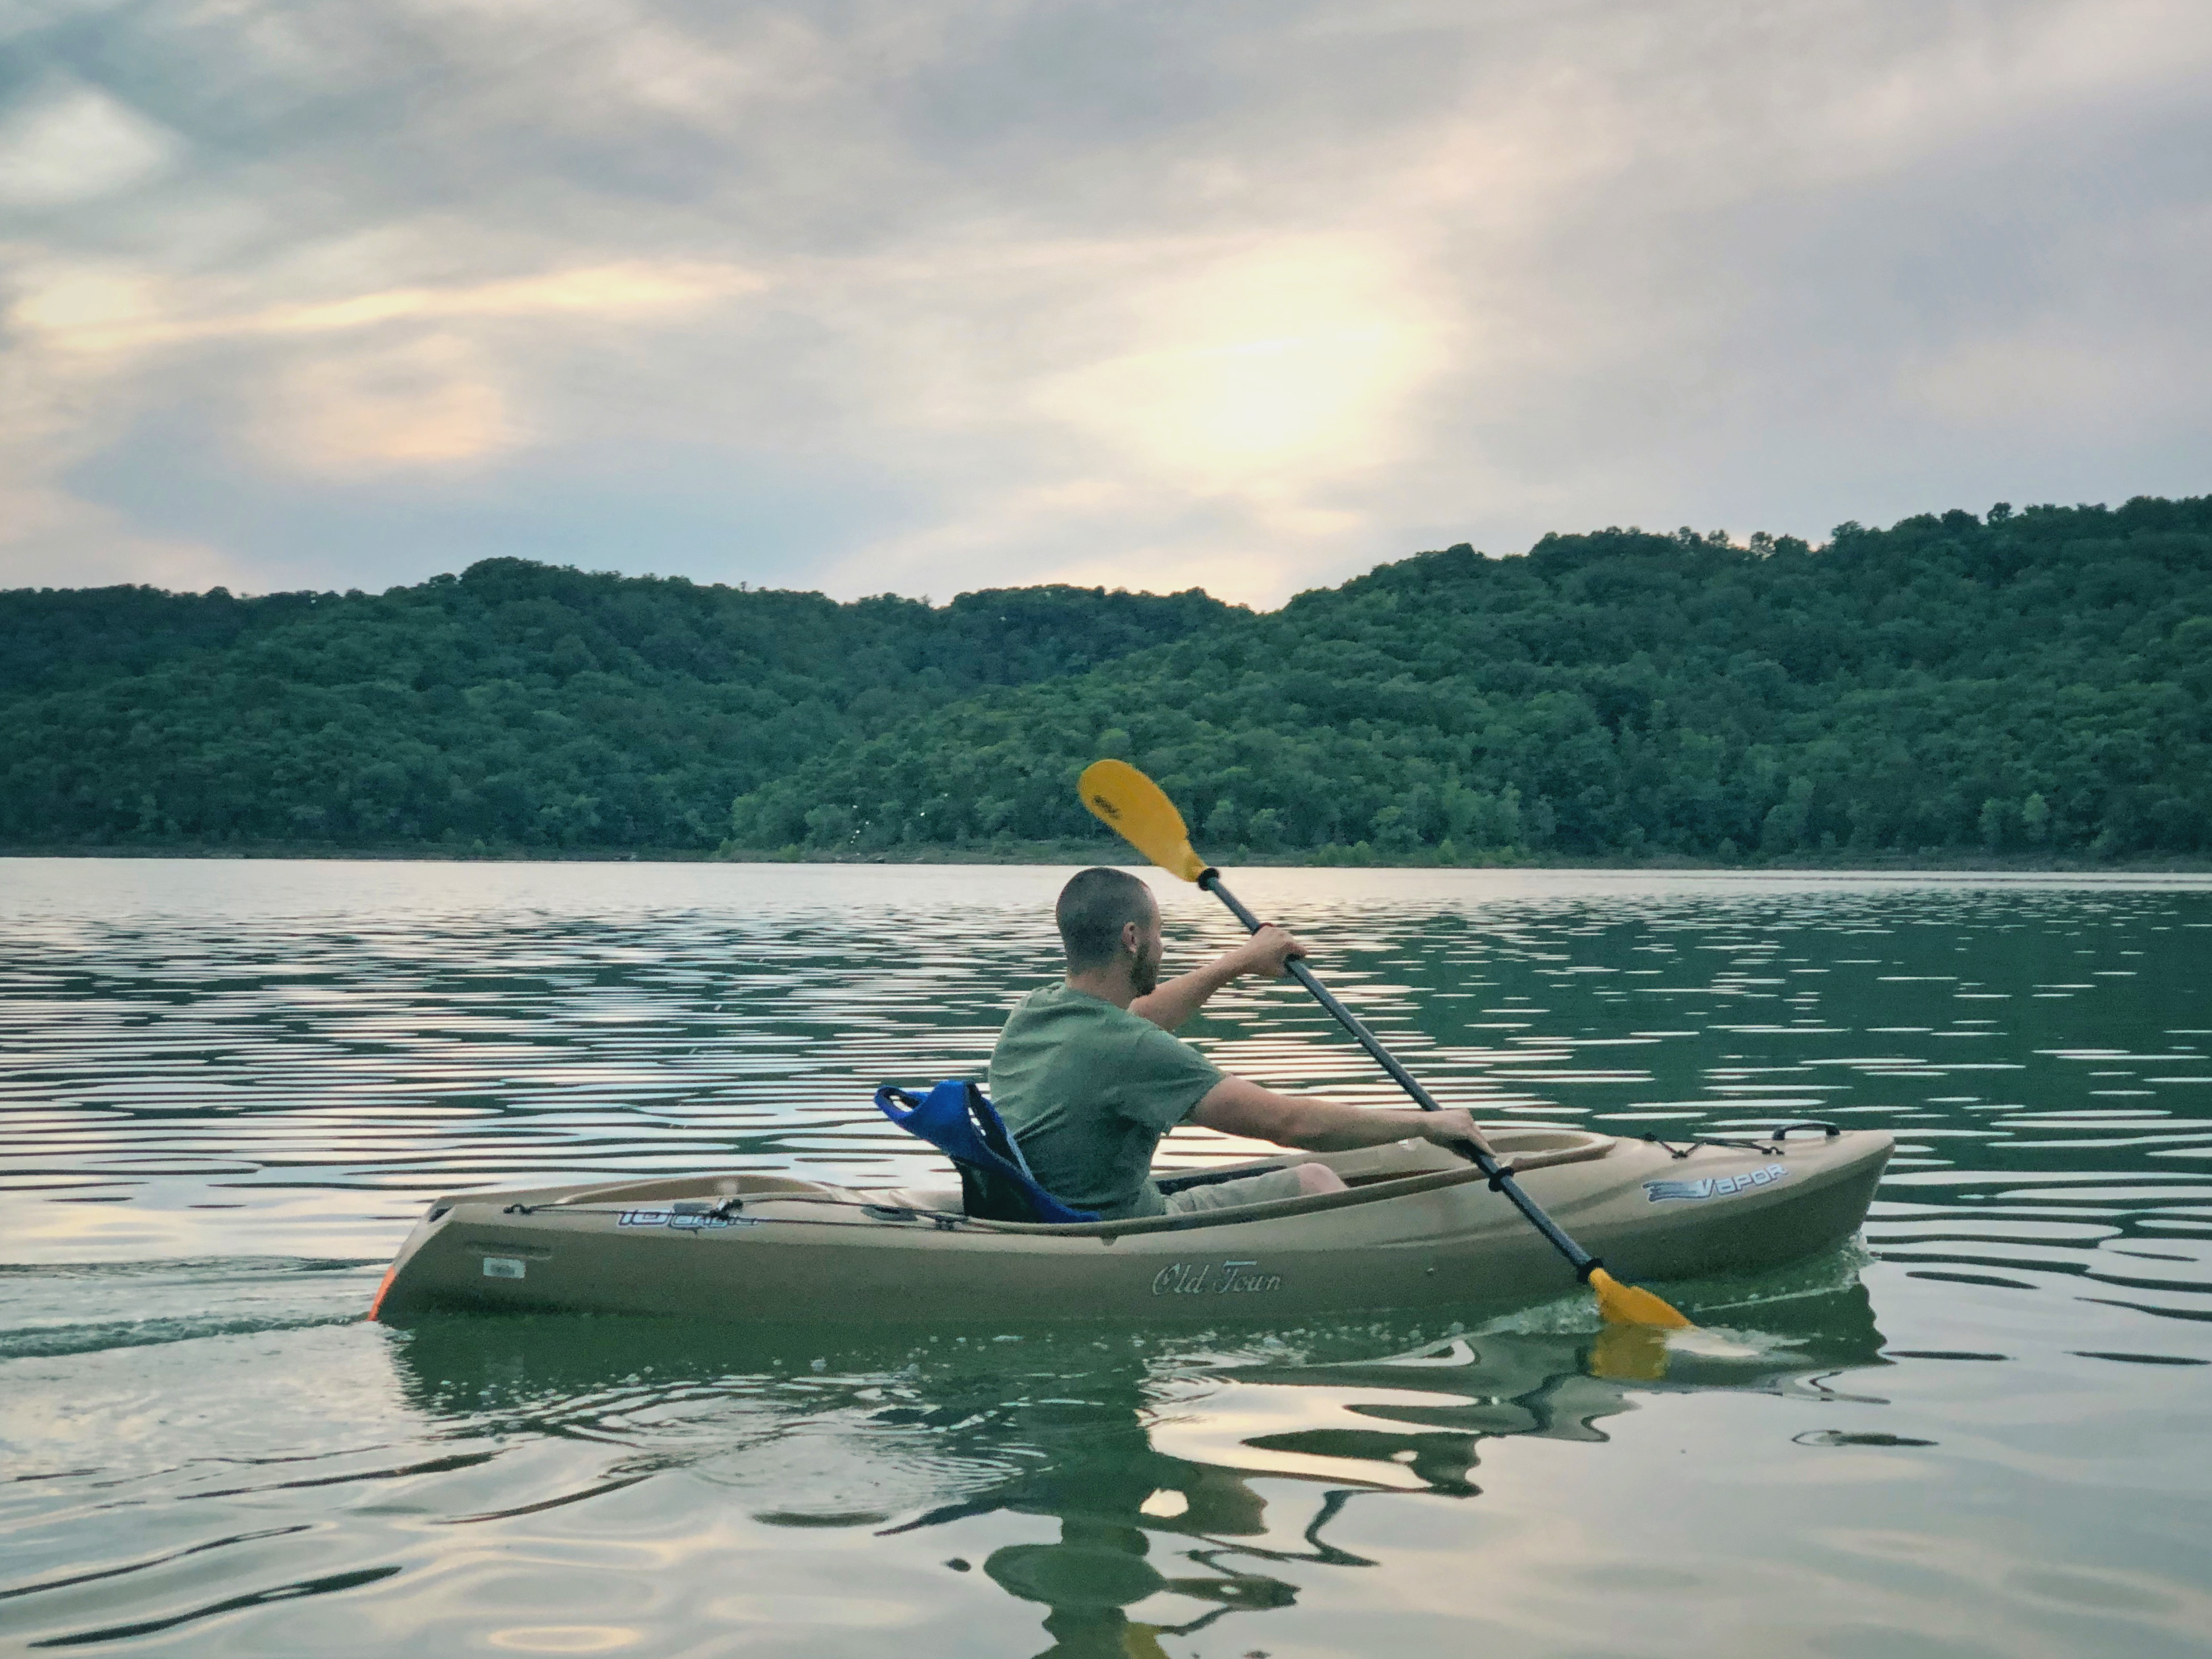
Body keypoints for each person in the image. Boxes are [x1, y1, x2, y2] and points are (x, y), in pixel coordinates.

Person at [988, 866, 1498, 1221]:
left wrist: (1241, 962)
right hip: (1122, 1226)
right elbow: (1288, 1123)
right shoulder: (1130, 1050)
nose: (1164, 947)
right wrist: (1426, 1124)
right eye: (1160, 933)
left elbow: (1140, 1015)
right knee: (1313, 1178)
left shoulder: (1035, 1011)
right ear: (1132, 939)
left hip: (1055, 1210)